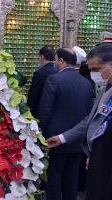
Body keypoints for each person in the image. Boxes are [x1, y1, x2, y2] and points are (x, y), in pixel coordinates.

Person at [47, 47, 112, 200]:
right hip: (98, 160)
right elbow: (89, 121)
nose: (94, 75)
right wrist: (62, 138)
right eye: (91, 70)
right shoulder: (104, 91)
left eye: (96, 69)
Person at [38, 48, 93, 200]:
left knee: (54, 178)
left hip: (55, 139)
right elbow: (89, 114)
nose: (55, 63)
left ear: (61, 61)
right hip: (77, 140)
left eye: (56, 60)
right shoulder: (87, 83)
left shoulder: (54, 80)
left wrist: (40, 136)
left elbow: (45, 111)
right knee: (71, 180)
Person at [28, 45, 57, 118]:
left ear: (42, 56)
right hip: (55, 111)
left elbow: (33, 96)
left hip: (40, 111)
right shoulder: (58, 71)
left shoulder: (39, 73)